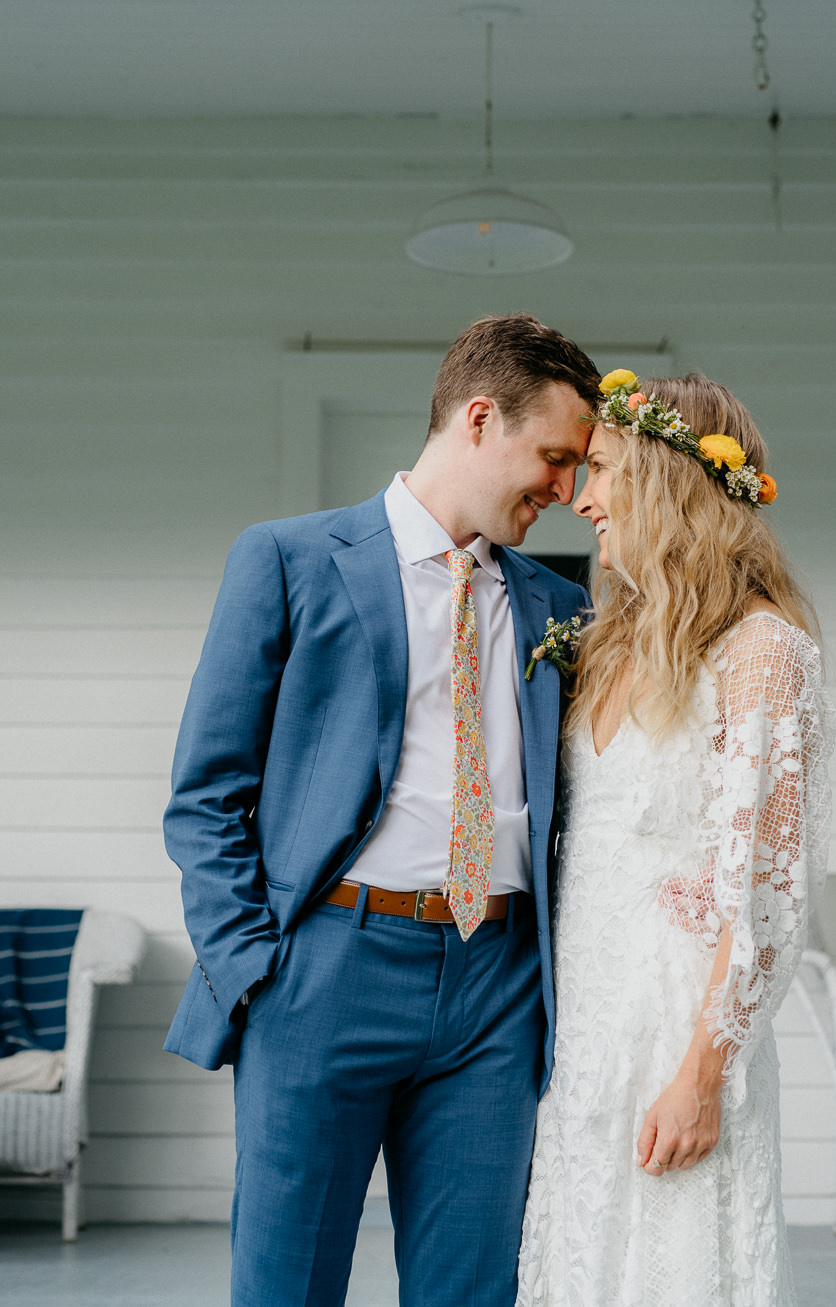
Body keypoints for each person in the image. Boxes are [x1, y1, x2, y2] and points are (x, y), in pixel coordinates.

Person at [163, 314, 599, 1307]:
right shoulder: (286, 558)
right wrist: (258, 973)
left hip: (497, 985)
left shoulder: (557, 607)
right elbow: (204, 794)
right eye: (555, 458)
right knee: (286, 1284)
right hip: (325, 972)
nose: (567, 491)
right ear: (480, 419)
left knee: (473, 1288)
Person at [516, 371, 833, 1306]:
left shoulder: (763, 651)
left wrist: (702, 1073)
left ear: (663, 475)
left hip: (677, 1036)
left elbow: (771, 894)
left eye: (602, 469)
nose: (581, 497)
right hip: (585, 1029)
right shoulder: (611, 639)